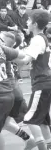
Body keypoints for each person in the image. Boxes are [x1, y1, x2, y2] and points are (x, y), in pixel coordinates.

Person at [16, 9, 51, 150]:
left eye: (29, 20)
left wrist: (6, 54)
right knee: (42, 121)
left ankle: (40, 146)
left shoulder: (37, 39)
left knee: (29, 119)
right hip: (45, 82)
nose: (26, 22)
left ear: (35, 24)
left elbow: (25, 60)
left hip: (42, 83)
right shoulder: (42, 38)